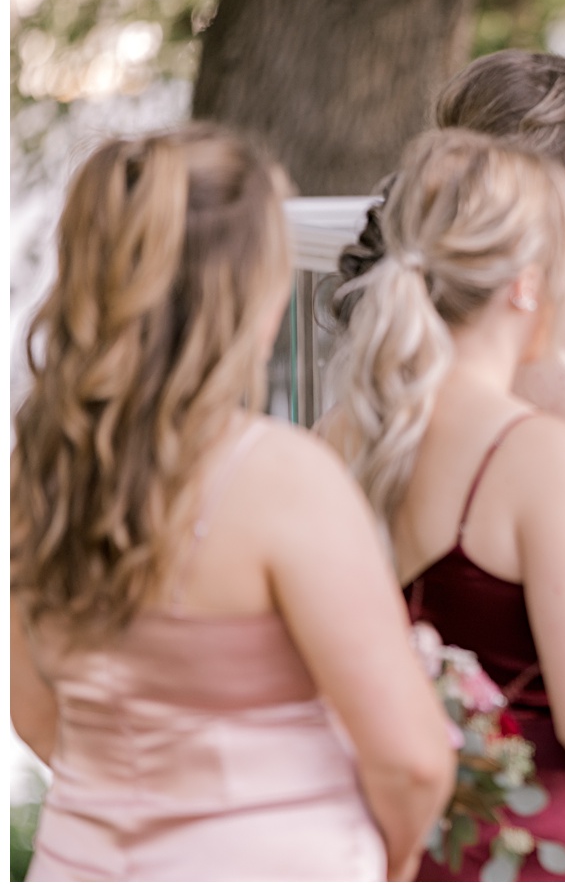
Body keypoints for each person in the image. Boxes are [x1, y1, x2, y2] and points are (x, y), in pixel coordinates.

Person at [11, 125, 453, 880]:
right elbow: (410, 761)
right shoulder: (286, 477)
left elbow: (36, 714)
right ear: (248, 282)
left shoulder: (43, 467)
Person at [328, 50, 565, 877]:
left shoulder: (343, 434)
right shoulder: (540, 455)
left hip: (405, 834)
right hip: (550, 835)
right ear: (522, 282)